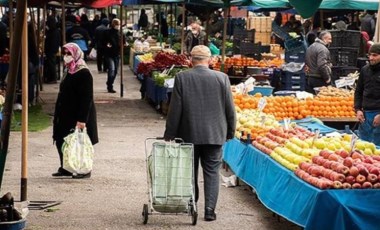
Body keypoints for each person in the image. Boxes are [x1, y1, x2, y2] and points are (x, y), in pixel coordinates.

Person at [164, 45, 236, 221]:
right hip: (214, 134)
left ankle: (192, 205)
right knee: (212, 172)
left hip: (188, 133)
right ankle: (210, 210)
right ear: (210, 60)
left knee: (190, 171)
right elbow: (230, 109)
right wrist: (230, 131)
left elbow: (175, 109)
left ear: (191, 60)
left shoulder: (182, 77)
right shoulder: (222, 78)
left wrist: (170, 133)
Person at [52, 42, 98, 179]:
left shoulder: (83, 72)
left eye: (69, 54)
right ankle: (66, 167)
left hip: (77, 113)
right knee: (62, 140)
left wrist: (82, 119)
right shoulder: (69, 70)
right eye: (65, 53)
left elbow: (86, 98)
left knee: (79, 142)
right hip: (65, 112)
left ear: (76, 54)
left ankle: (84, 169)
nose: (66, 57)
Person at [354, 43, 380, 146]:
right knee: (363, 147)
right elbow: (358, 91)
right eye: (370, 55)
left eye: (375, 55)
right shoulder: (365, 70)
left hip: (378, 114)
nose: (371, 58)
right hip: (365, 115)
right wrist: (358, 109)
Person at [104, 18, 124, 93]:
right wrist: (107, 45)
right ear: (113, 24)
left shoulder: (121, 33)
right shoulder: (107, 32)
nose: (118, 26)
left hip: (117, 54)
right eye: (116, 24)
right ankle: (110, 86)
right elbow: (103, 41)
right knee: (112, 69)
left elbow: (123, 42)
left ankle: (109, 82)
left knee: (115, 71)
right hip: (109, 54)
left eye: (119, 24)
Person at [44, 16, 61, 83]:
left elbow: (53, 42)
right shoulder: (54, 30)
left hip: (51, 50)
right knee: (51, 63)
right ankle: (51, 78)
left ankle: (53, 78)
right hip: (52, 50)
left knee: (51, 64)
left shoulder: (54, 31)